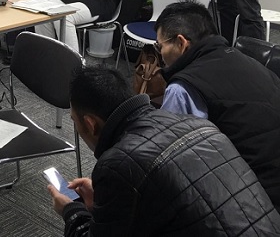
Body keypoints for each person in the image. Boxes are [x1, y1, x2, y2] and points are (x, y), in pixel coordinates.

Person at [48, 67, 280, 236]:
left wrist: (72, 211)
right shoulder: (199, 124)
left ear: (91, 124)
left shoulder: (117, 164)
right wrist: (106, 202)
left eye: (74, 121)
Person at [154, 0, 280, 211]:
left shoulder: (183, 88)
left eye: (160, 46)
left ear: (181, 43)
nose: (160, 55)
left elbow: (168, 158)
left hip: (253, 204)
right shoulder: (247, 61)